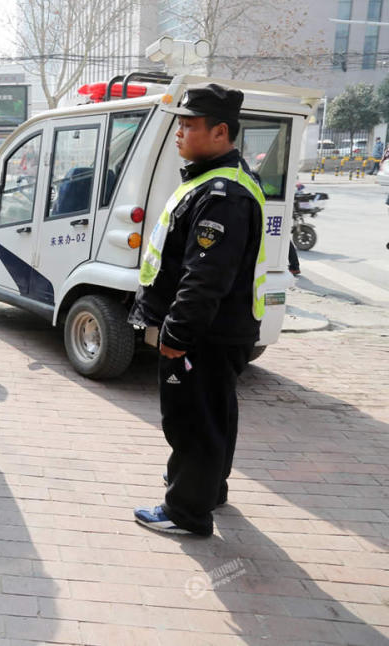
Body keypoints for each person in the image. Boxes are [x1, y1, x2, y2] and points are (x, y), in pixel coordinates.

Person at [130, 83, 266, 537]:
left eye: (189, 126)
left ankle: (186, 510)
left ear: (220, 131)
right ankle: (208, 487)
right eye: (179, 124)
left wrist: (176, 335)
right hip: (223, 330)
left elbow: (204, 278)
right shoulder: (218, 180)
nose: (179, 133)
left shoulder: (223, 194)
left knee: (192, 419)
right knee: (216, 414)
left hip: (204, 333)